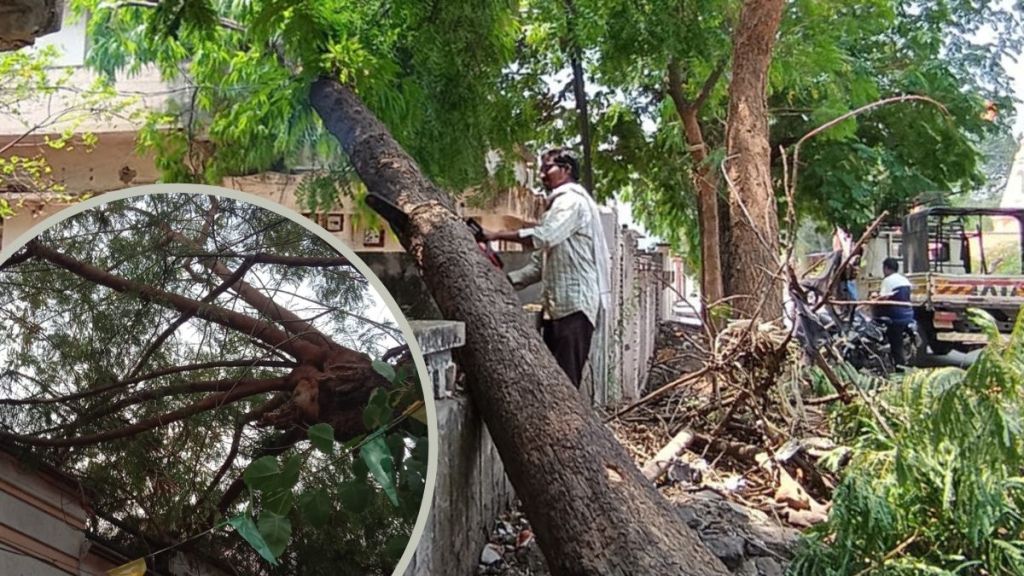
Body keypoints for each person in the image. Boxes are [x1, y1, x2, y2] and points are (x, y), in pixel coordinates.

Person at [484, 148, 611, 388]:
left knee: (565, 389)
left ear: (566, 170)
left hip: (574, 309)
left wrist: (496, 234)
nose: (542, 175)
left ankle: (574, 426)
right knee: (554, 388)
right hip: (556, 311)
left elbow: (544, 237)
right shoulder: (556, 206)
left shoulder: (571, 202)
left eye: (547, 168)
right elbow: (537, 266)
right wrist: (503, 281)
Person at [873, 257, 914, 367]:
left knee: (896, 345)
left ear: (886, 268)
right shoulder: (904, 280)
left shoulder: (888, 280)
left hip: (895, 317)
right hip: (908, 314)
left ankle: (899, 368)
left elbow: (882, 298)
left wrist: (873, 299)